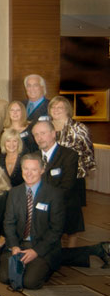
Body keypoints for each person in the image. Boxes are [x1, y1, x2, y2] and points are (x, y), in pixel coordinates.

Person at [0, 155, 63, 290]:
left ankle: (42, 267)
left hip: (42, 247)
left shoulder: (54, 194)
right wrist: (14, 246)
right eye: (25, 169)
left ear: (42, 170)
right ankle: (26, 265)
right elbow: (9, 223)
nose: (29, 173)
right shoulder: (14, 192)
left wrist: (36, 251)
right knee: (5, 278)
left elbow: (56, 229)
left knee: (30, 282)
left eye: (33, 170)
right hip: (19, 244)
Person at [49, 95, 97, 248]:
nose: (56, 110)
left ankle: (71, 250)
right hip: (51, 179)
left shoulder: (78, 128)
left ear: (67, 110)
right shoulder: (46, 127)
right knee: (53, 213)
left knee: (72, 215)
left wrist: (75, 170)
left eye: (60, 107)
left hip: (73, 178)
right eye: (53, 107)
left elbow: (88, 153)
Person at [31, 120, 82, 250]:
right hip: (40, 208)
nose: (39, 138)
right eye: (36, 134)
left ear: (53, 134)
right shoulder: (33, 157)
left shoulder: (69, 155)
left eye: (43, 133)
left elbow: (67, 186)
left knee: (66, 256)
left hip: (65, 205)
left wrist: (45, 202)